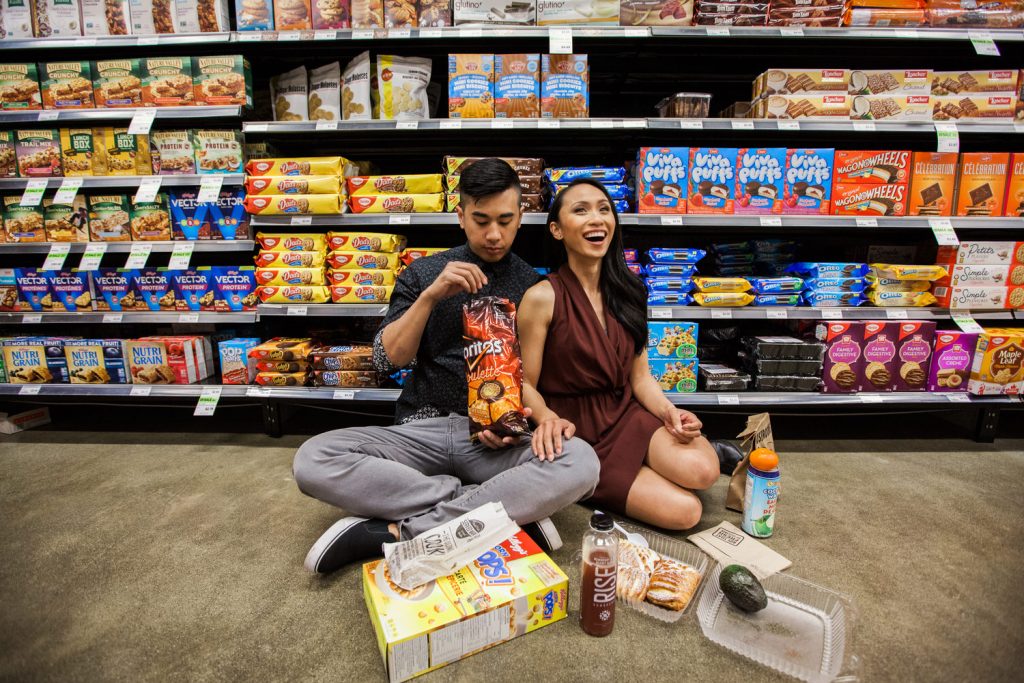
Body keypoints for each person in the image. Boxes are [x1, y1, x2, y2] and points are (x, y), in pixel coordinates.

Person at [293, 159, 601, 574]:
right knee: (313, 459)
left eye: (506, 221)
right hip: (422, 432)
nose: (494, 234)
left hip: (494, 441)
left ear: (521, 217)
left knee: (581, 462)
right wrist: (431, 297)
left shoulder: (533, 285)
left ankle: (405, 529)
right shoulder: (423, 272)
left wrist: (515, 423)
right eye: (481, 220)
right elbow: (388, 360)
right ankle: (490, 509)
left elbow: (527, 376)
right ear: (459, 216)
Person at [517, 179, 742, 531]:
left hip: (625, 413)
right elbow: (524, 381)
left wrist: (670, 412)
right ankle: (583, 478)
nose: (596, 219)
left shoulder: (631, 291)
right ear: (557, 230)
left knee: (705, 470)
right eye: (581, 210)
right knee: (686, 514)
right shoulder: (542, 297)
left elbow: (640, 376)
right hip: (578, 432)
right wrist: (546, 419)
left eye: (604, 209)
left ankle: (644, 464)